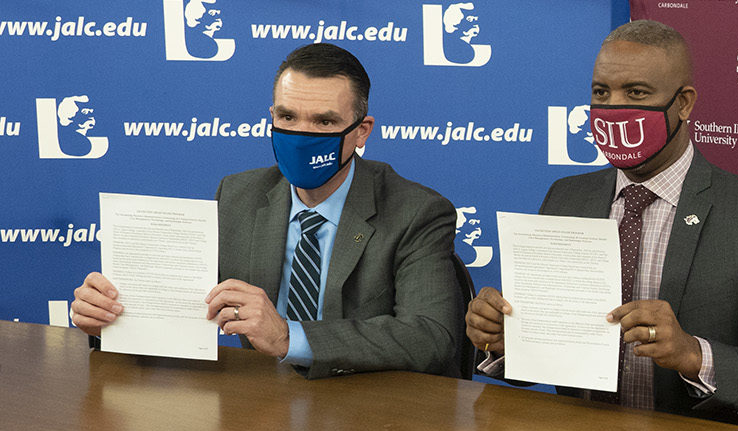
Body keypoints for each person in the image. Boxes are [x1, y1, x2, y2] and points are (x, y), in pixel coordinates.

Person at [465, 20, 738, 431]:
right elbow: (541, 360)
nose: (613, 108)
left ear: (683, 103)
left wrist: (692, 354)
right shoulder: (567, 197)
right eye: (601, 93)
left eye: (636, 92)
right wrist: (504, 340)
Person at [71, 43, 465, 379]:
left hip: (371, 413)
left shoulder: (418, 211)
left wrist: (290, 338)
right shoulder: (238, 194)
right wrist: (110, 319)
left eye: (324, 121)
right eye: (287, 117)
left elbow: (430, 337)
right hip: (257, 409)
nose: (301, 135)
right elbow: (177, 314)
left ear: (361, 131)